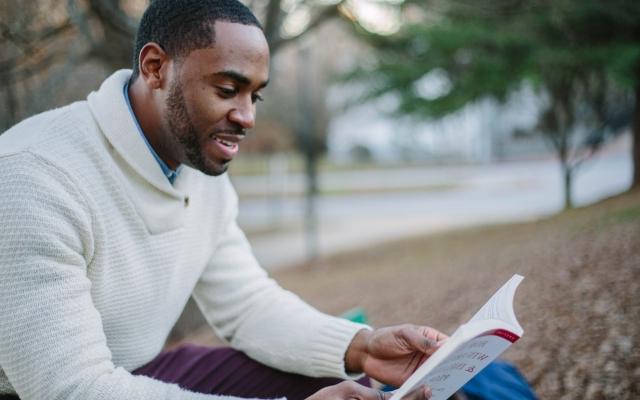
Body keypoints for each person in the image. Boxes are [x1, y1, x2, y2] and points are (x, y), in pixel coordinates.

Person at [0, 1, 447, 399]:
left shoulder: (196, 163)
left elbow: (248, 305)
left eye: (255, 94)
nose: (248, 117)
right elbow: (71, 389)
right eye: (228, 90)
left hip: (133, 371)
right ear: (156, 67)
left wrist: (362, 347)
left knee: (331, 383)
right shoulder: (33, 177)